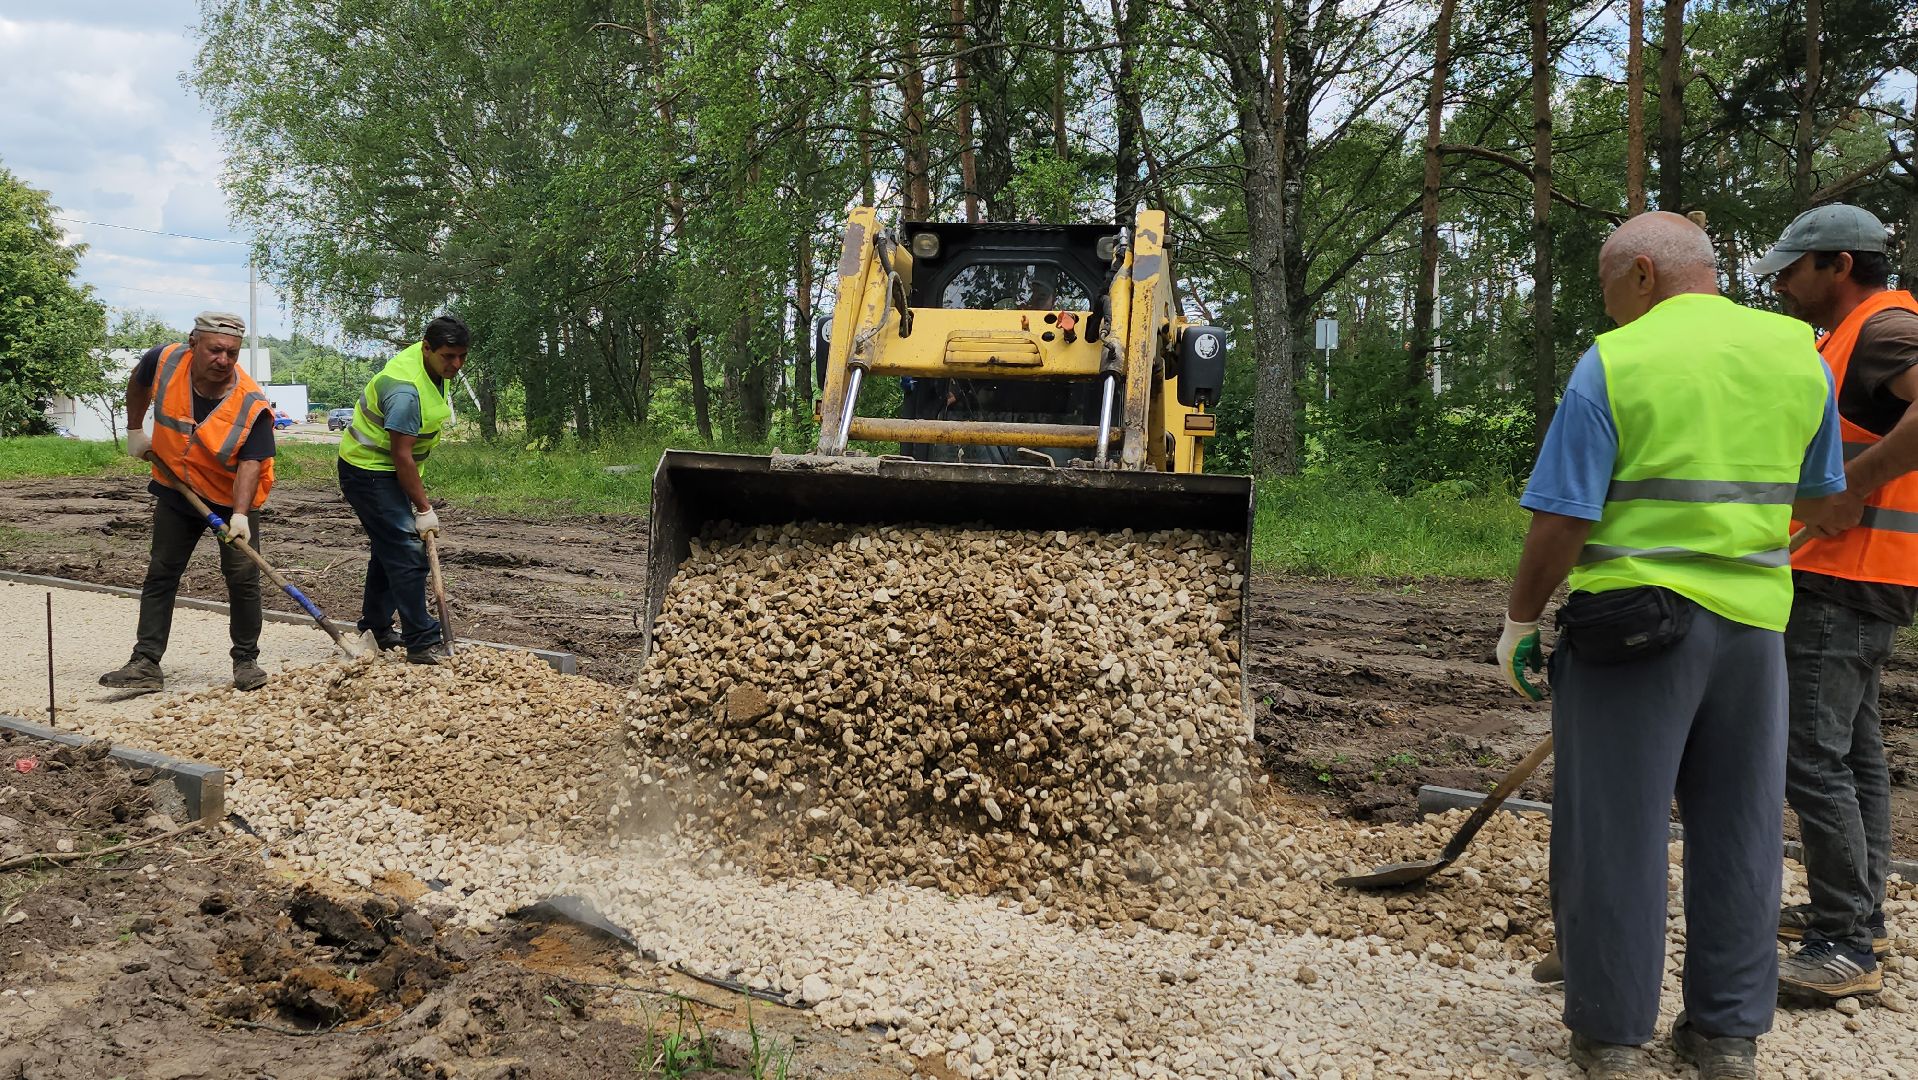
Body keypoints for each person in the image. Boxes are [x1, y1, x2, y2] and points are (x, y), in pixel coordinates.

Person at [1494, 212, 1844, 1079]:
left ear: (1642, 273)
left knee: (1617, 829)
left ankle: (1613, 1035)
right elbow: (1821, 498)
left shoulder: (1617, 361)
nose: (1611, 309)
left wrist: (1520, 620)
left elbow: (1565, 515)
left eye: (1612, 290)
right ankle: (1726, 1036)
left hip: (1635, 634)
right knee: (1742, 831)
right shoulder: (1797, 354)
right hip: (1755, 631)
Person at [1752, 204, 1918, 1001]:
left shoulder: (1883, 330)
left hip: (1845, 574)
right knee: (1852, 754)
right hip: (1860, 572)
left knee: (1809, 755)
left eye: (1793, 267)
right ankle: (1857, 913)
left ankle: (1843, 942)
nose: (1781, 281)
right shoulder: (1855, 335)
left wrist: (1851, 486)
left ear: (1839, 265)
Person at [99, 312, 278, 692]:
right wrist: (134, 429)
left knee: (243, 579)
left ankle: (246, 661)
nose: (224, 360)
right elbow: (139, 382)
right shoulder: (164, 360)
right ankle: (145, 663)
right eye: (215, 350)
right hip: (176, 486)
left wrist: (242, 515)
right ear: (193, 343)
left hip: (232, 500)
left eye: (232, 353)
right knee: (162, 571)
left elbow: (251, 462)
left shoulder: (251, 403)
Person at [337, 316, 468, 664]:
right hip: (367, 472)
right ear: (426, 348)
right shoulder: (405, 391)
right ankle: (422, 640)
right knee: (408, 550)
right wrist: (423, 509)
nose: (455, 365)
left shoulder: (431, 366)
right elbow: (401, 456)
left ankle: (376, 628)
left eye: (461, 357)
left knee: (388, 549)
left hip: (387, 470)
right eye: (448, 357)